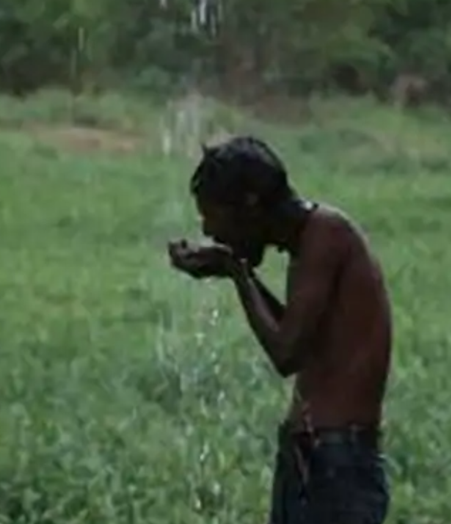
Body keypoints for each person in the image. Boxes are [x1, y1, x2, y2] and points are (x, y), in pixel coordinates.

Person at [167, 135, 393, 524]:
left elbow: (286, 353)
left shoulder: (327, 234)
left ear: (250, 204)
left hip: (336, 463)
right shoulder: (307, 242)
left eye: (214, 215)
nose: (211, 230)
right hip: (315, 456)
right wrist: (234, 270)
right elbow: (297, 335)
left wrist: (237, 273)